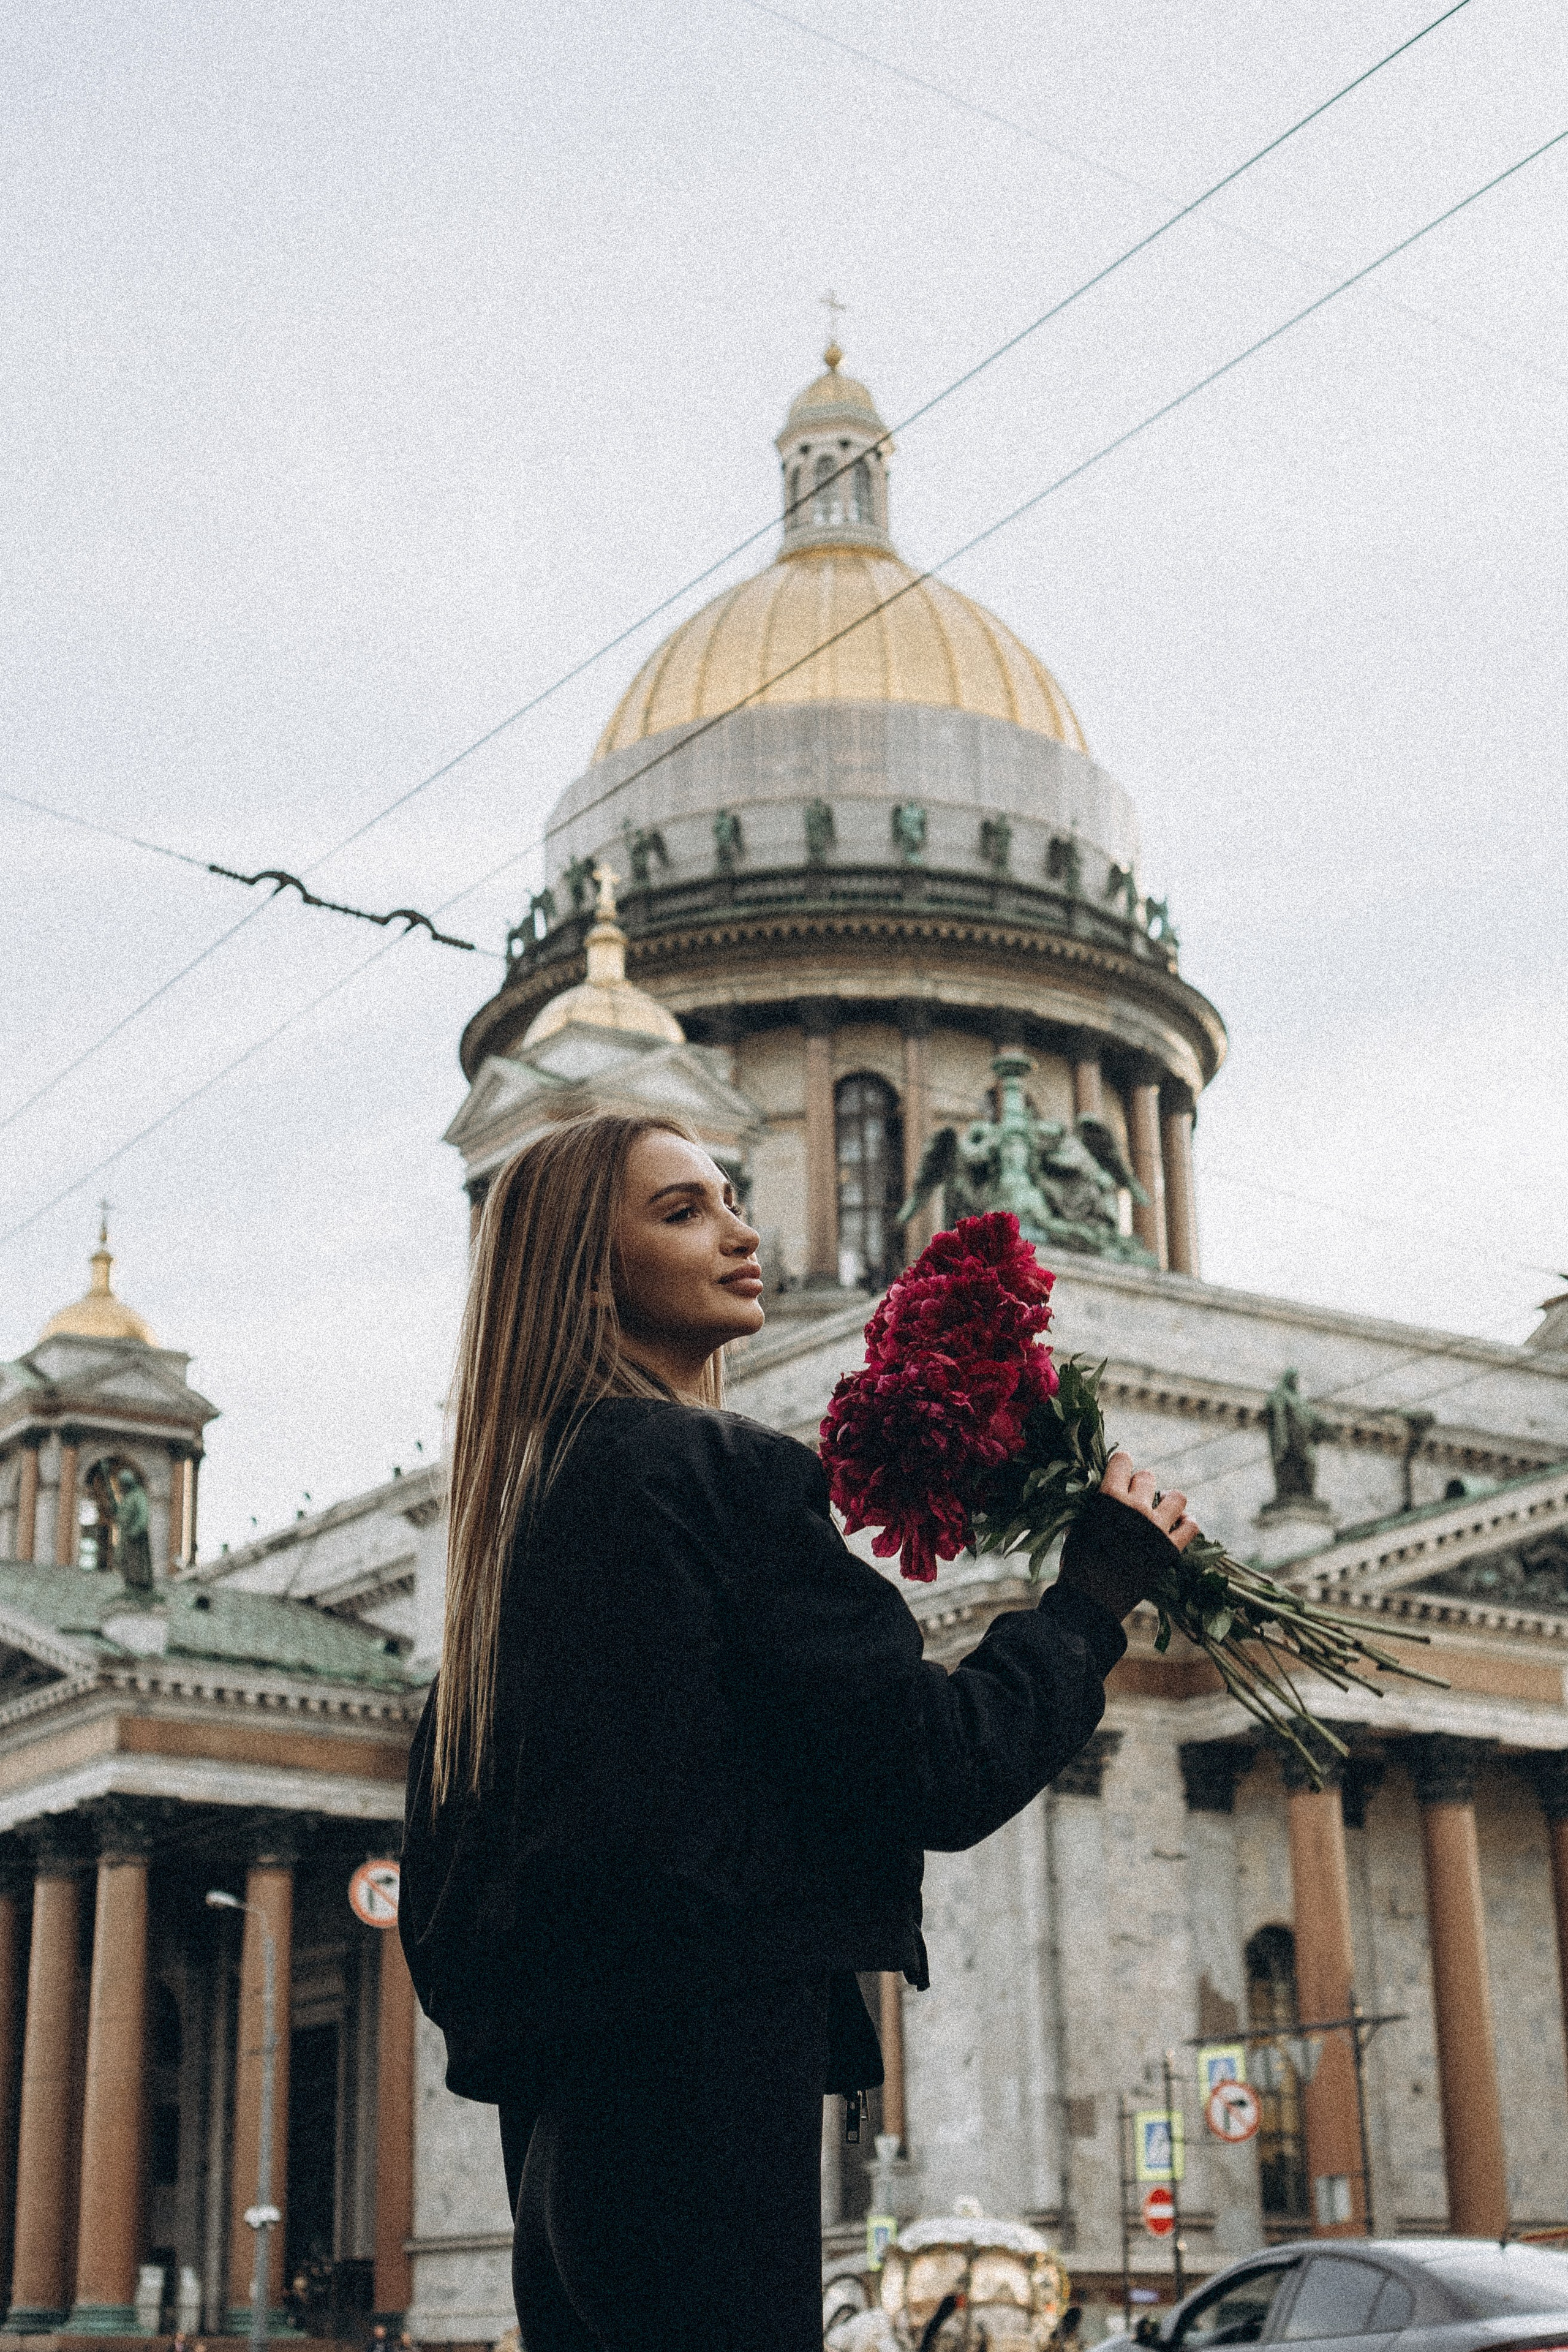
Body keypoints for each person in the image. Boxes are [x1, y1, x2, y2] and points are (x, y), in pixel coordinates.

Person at [399, 1113, 1199, 2352]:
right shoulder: (715, 1475)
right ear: (584, 1272)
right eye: (681, 1211)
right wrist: (1090, 1598)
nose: (741, 1229)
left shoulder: (512, 1537)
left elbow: (443, 1903)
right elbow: (938, 1765)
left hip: (564, 2146)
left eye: (728, 1194)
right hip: (708, 2109)